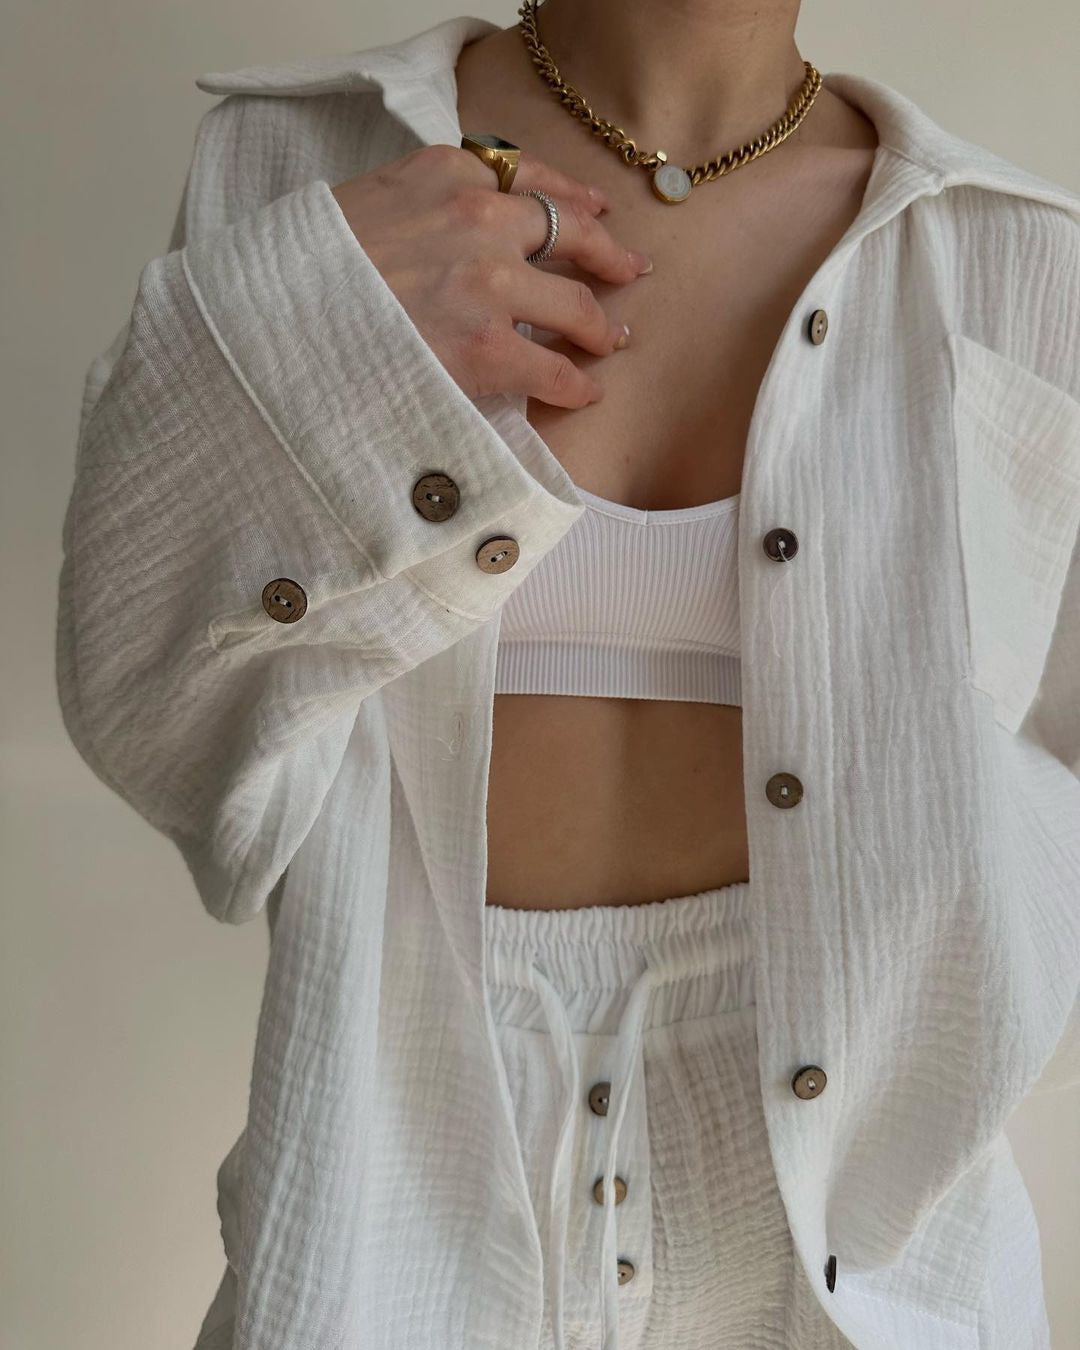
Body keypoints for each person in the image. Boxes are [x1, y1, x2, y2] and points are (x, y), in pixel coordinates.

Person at [55, 4, 1080, 1349]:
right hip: (389, 1195)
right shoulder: (296, 159)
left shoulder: (1023, 260)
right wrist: (325, 327)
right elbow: (145, 700)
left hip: (868, 1261)